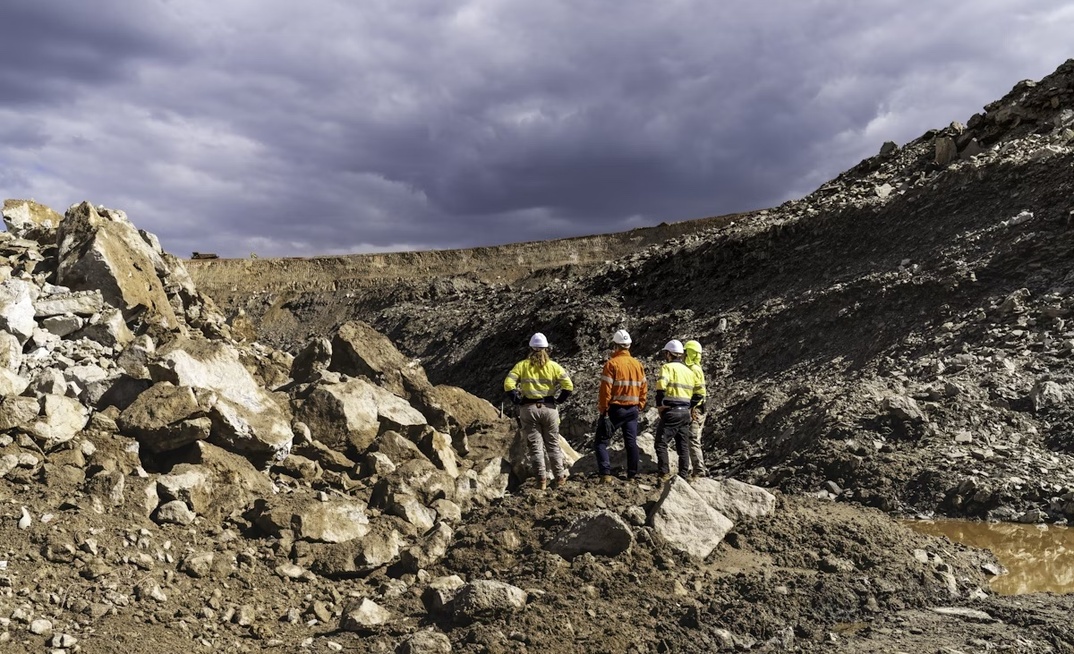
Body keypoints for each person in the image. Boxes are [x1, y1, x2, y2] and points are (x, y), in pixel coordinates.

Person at [504, 332, 574, 490]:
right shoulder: (554, 366)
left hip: (528, 409)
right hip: (549, 408)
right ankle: (560, 478)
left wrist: (517, 399)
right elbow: (568, 386)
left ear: (530, 349)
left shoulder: (522, 366)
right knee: (553, 445)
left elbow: (508, 384)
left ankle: (541, 480)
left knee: (535, 447)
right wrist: (559, 399)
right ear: (546, 349)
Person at [595, 329, 647, 482]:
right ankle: (632, 474)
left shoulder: (612, 364)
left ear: (616, 346)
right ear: (629, 346)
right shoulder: (638, 365)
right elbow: (644, 387)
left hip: (615, 409)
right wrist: (640, 404)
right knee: (631, 443)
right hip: (632, 410)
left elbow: (606, 390)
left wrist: (603, 409)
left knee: (601, 442)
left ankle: (606, 474)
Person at [654, 339, 704, 480]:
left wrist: (660, 406)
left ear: (669, 354)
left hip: (671, 410)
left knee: (661, 443)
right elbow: (700, 393)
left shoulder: (667, 368)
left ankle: (664, 473)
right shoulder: (689, 371)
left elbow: (660, 388)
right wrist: (689, 405)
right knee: (683, 446)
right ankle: (683, 475)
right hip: (685, 413)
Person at [683, 340, 708, 478]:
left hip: (695, 409)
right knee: (693, 439)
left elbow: (698, 393)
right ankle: (698, 467)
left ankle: (699, 470)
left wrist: (691, 407)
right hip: (699, 407)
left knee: (692, 438)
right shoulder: (696, 368)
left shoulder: (693, 369)